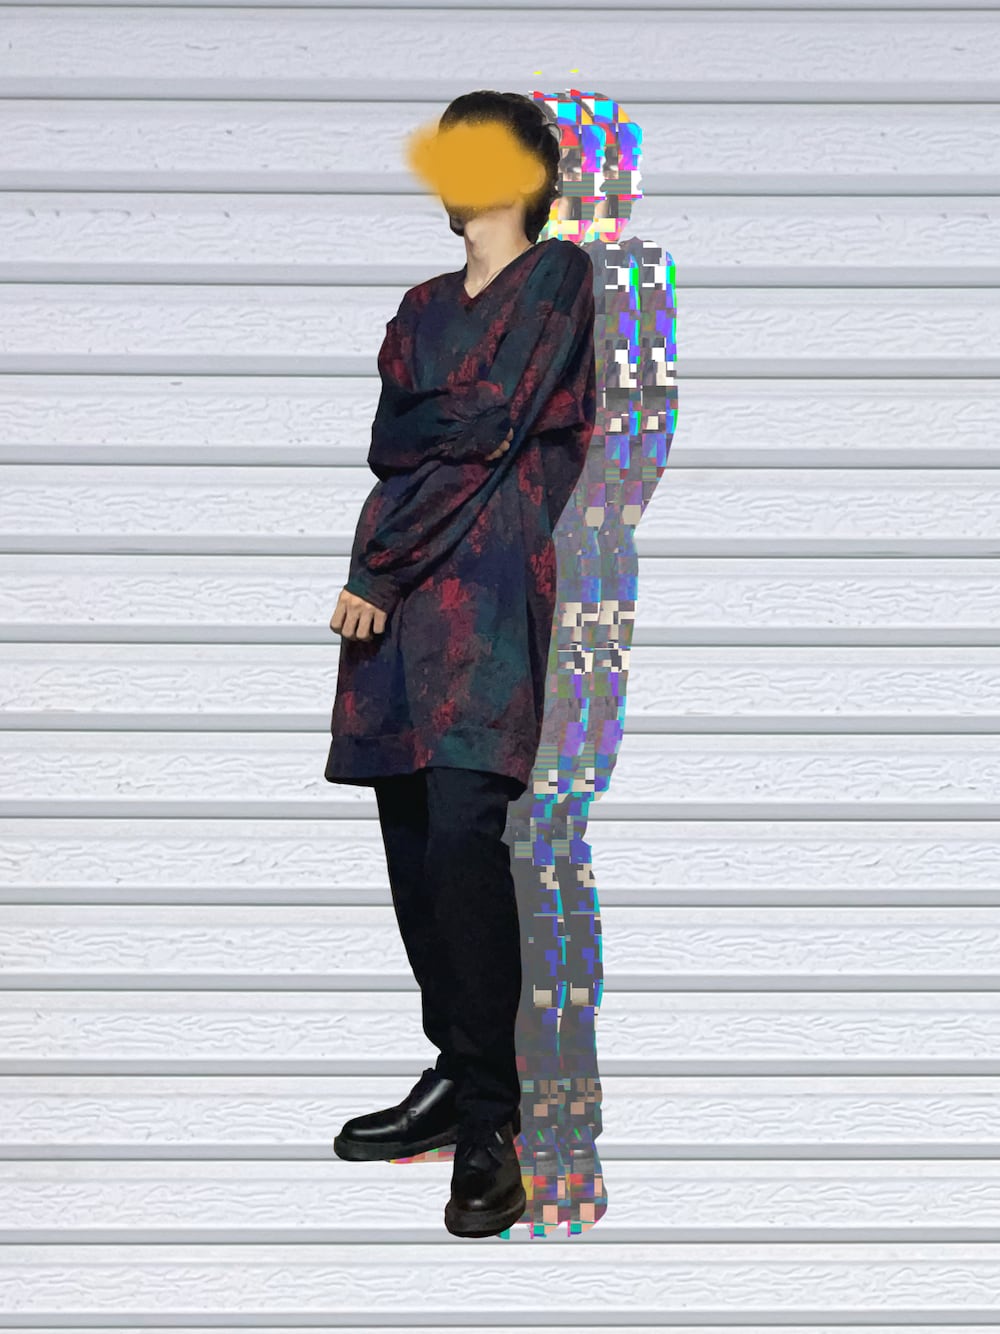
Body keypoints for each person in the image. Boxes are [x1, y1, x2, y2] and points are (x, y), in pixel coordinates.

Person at [327, 90, 597, 1239]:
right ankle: (453, 1071)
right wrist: (387, 562)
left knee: (461, 840)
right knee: (409, 846)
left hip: (478, 594)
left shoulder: (557, 280)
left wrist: (382, 564)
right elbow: (391, 441)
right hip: (392, 605)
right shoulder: (420, 307)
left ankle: (493, 1122)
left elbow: (487, 431)